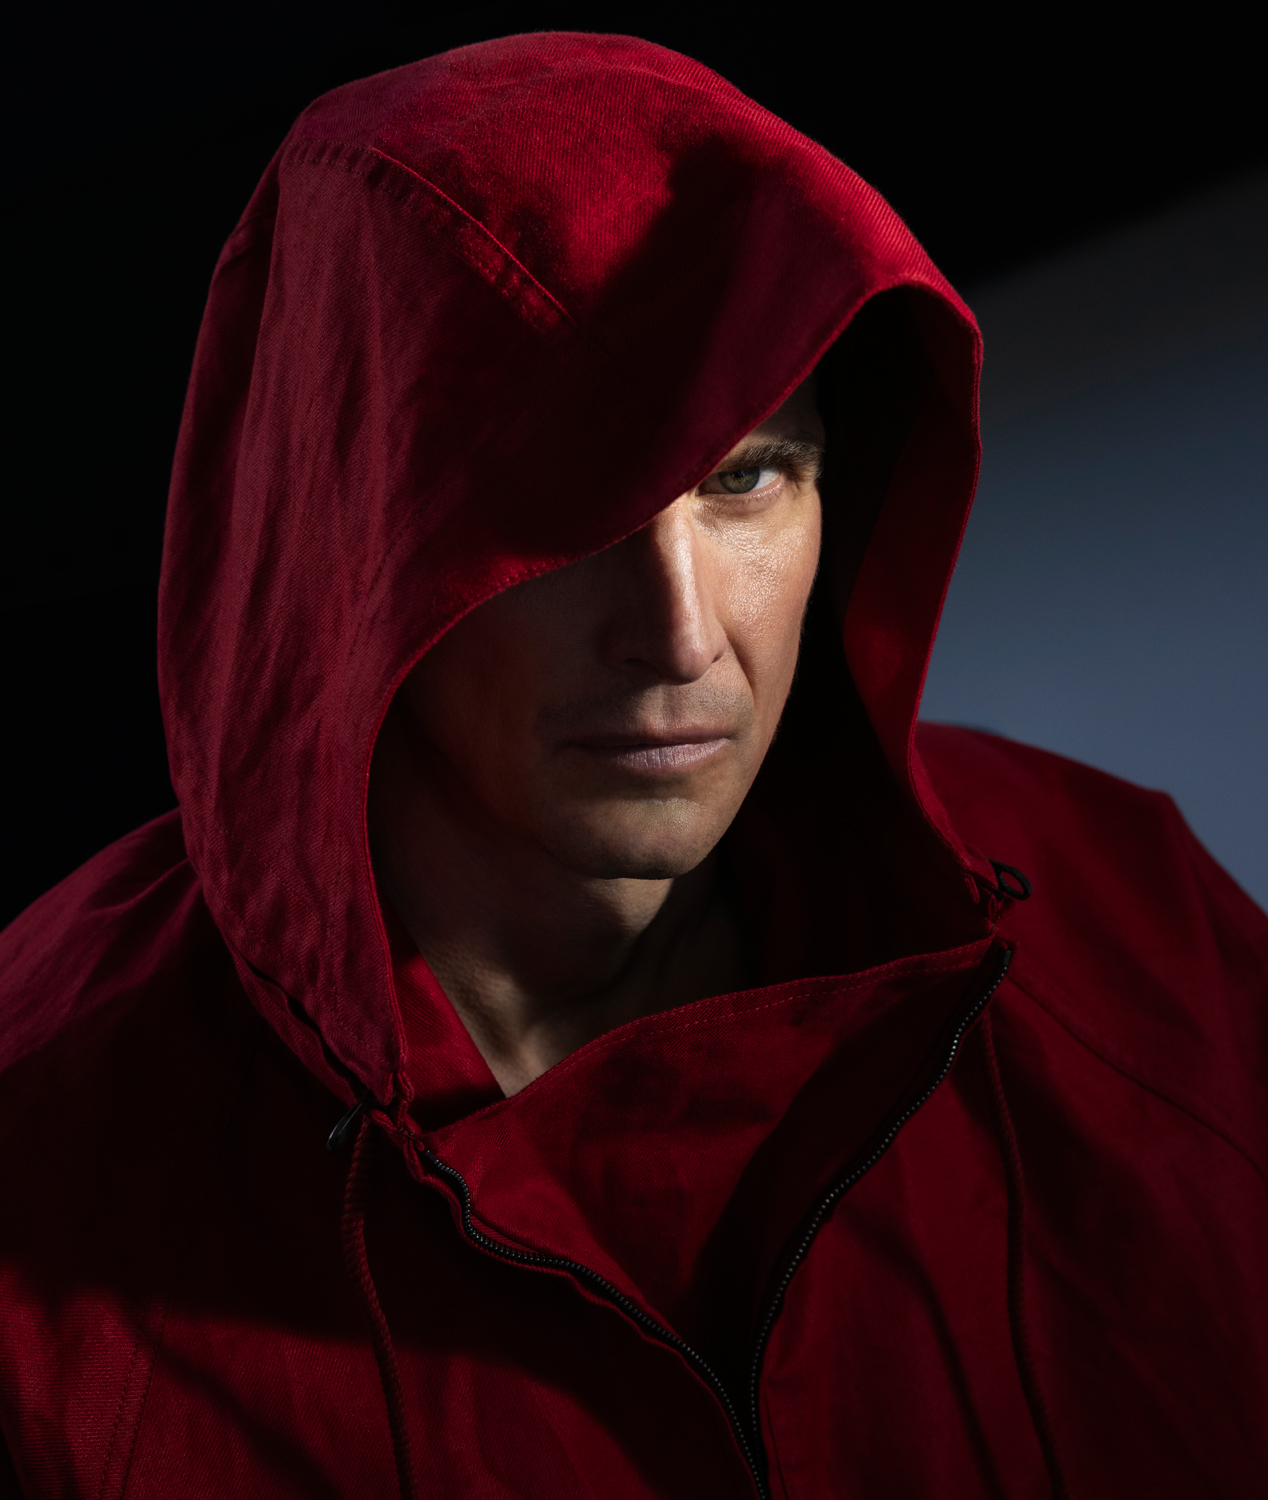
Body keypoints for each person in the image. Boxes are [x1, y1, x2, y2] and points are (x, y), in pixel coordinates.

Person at [1, 31, 1264, 1500]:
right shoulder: (44, 1183)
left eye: (747, 477)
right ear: (346, 536)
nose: (679, 634)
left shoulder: (1131, 929)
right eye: (562, 497)